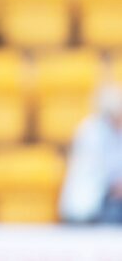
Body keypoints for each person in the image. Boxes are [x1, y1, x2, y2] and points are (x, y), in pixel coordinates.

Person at [59, 84, 122, 224]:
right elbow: (101, 168)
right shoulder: (91, 132)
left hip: (101, 202)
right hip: (86, 207)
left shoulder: (114, 133)